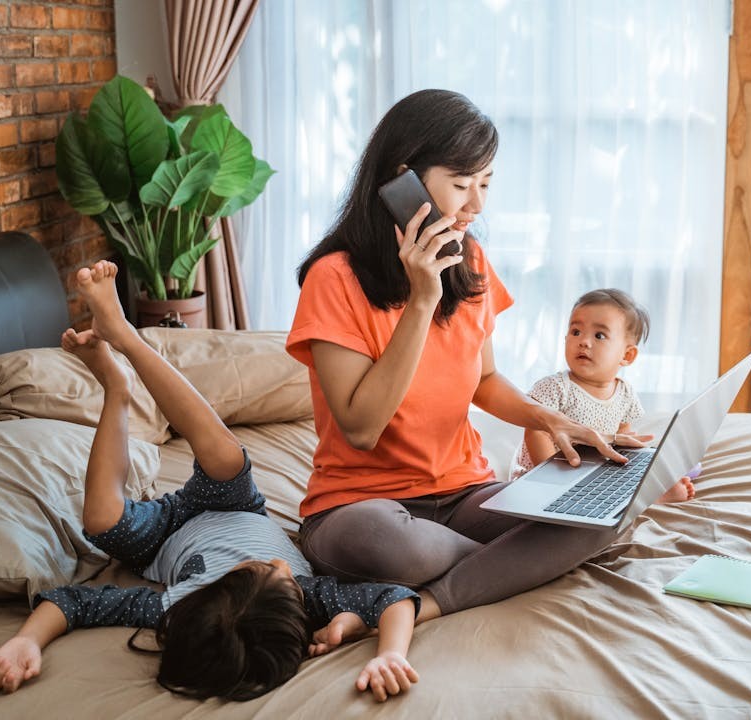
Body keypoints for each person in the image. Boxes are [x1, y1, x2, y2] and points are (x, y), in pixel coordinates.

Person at [0, 261, 423, 703]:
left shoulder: (173, 607)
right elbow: (395, 599)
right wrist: (385, 651)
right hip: (232, 506)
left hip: (161, 539)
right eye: (283, 574)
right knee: (227, 457)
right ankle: (127, 338)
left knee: (99, 519)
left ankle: (117, 387)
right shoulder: (306, 599)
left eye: (263, 568)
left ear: (219, 584)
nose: (285, 564)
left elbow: (74, 603)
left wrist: (26, 641)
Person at [287, 89, 650, 618]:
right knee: (394, 545)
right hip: (361, 507)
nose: (476, 206)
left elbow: (485, 381)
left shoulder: (471, 259)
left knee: (605, 509)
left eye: (485, 184)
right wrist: (421, 301)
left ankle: (430, 602)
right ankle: (517, 565)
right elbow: (361, 428)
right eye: (461, 184)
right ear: (401, 179)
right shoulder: (334, 278)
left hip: (462, 494)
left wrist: (552, 420)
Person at [511, 288, 699, 502]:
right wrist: (553, 484)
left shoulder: (625, 392)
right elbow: (536, 432)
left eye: (599, 335)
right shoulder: (554, 387)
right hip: (540, 479)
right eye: (575, 332)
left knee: (624, 475)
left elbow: (622, 437)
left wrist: (637, 455)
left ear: (627, 355)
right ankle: (649, 497)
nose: (583, 341)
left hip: (589, 474)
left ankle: (647, 493)